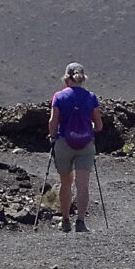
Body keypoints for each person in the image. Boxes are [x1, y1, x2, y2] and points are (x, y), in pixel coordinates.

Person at [47, 62, 103, 232]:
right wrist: (91, 128)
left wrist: (53, 135)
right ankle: (80, 222)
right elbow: (99, 125)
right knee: (83, 184)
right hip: (85, 144)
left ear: (67, 79)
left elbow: (53, 122)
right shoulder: (91, 97)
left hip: (63, 142)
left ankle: (65, 221)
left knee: (66, 183)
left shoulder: (59, 97)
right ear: (82, 79)